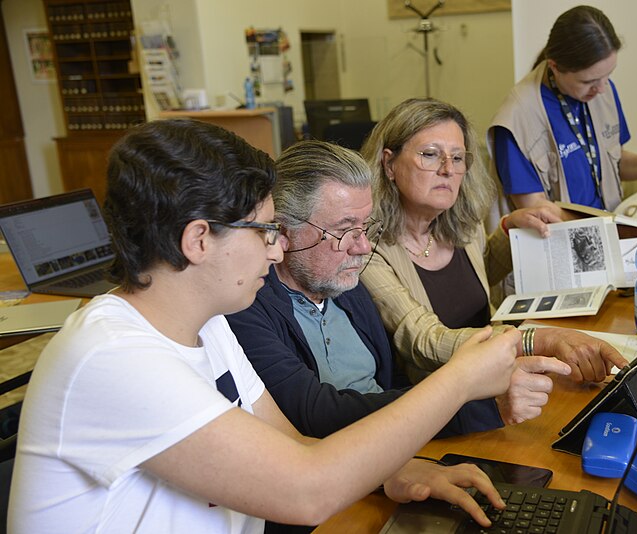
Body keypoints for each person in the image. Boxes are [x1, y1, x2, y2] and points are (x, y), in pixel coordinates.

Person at [7, 119, 524, 533]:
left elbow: (295, 442)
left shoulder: (208, 323)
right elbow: (306, 491)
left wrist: (397, 471)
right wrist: (460, 380)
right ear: (199, 240)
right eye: (264, 231)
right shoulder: (114, 356)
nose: (278, 249)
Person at [226, 140, 571, 442]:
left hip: (397, 450)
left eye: (365, 227)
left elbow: (391, 382)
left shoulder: (344, 283)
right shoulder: (247, 304)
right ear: (283, 232)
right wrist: (477, 403)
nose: (362, 247)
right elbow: (317, 414)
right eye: (345, 230)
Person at [360, 97, 628, 385]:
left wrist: (511, 231)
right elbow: (424, 340)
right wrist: (533, 340)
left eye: (458, 157)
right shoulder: (365, 246)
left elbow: (473, 280)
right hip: (435, 399)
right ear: (389, 164)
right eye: (430, 154)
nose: (448, 169)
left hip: (495, 377)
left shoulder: (462, 223)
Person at [488, 5, 637, 212]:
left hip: (609, 227)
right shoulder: (516, 119)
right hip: (562, 236)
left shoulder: (602, 89)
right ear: (555, 66)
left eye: (608, 75)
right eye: (588, 81)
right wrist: (597, 226)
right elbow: (534, 208)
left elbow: (612, 162)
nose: (601, 89)